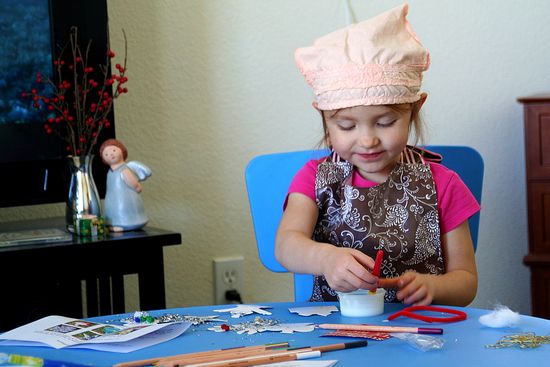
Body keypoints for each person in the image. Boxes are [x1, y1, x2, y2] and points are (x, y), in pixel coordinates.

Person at [275, 4, 479, 306]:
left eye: (385, 122)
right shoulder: (315, 178)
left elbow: (466, 282)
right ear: (326, 122)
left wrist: (435, 287)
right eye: (346, 125)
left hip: (419, 331)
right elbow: (286, 246)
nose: (368, 140)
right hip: (336, 330)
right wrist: (325, 258)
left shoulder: (443, 185)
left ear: (414, 110)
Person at [99, 138, 151, 232]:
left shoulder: (124, 169)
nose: (110, 154)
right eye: (106, 154)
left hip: (125, 198)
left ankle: (129, 223)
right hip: (112, 198)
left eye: (114, 150)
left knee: (123, 207)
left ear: (122, 151)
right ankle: (114, 223)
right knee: (113, 208)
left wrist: (136, 186)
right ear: (104, 159)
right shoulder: (110, 172)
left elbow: (131, 181)